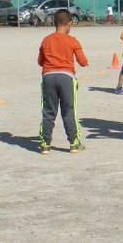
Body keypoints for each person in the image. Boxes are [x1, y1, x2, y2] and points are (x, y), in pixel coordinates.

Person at [37, 9, 89, 154]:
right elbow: (82, 61)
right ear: (69, 24)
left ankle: (45, 144)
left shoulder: (46, 40)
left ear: (54, 23)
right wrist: (85, 62)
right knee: (69, 111)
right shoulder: (72, 41)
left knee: (48, 111)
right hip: (66, 78)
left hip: (48, 77)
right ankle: (74, 143)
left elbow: (40, 61)